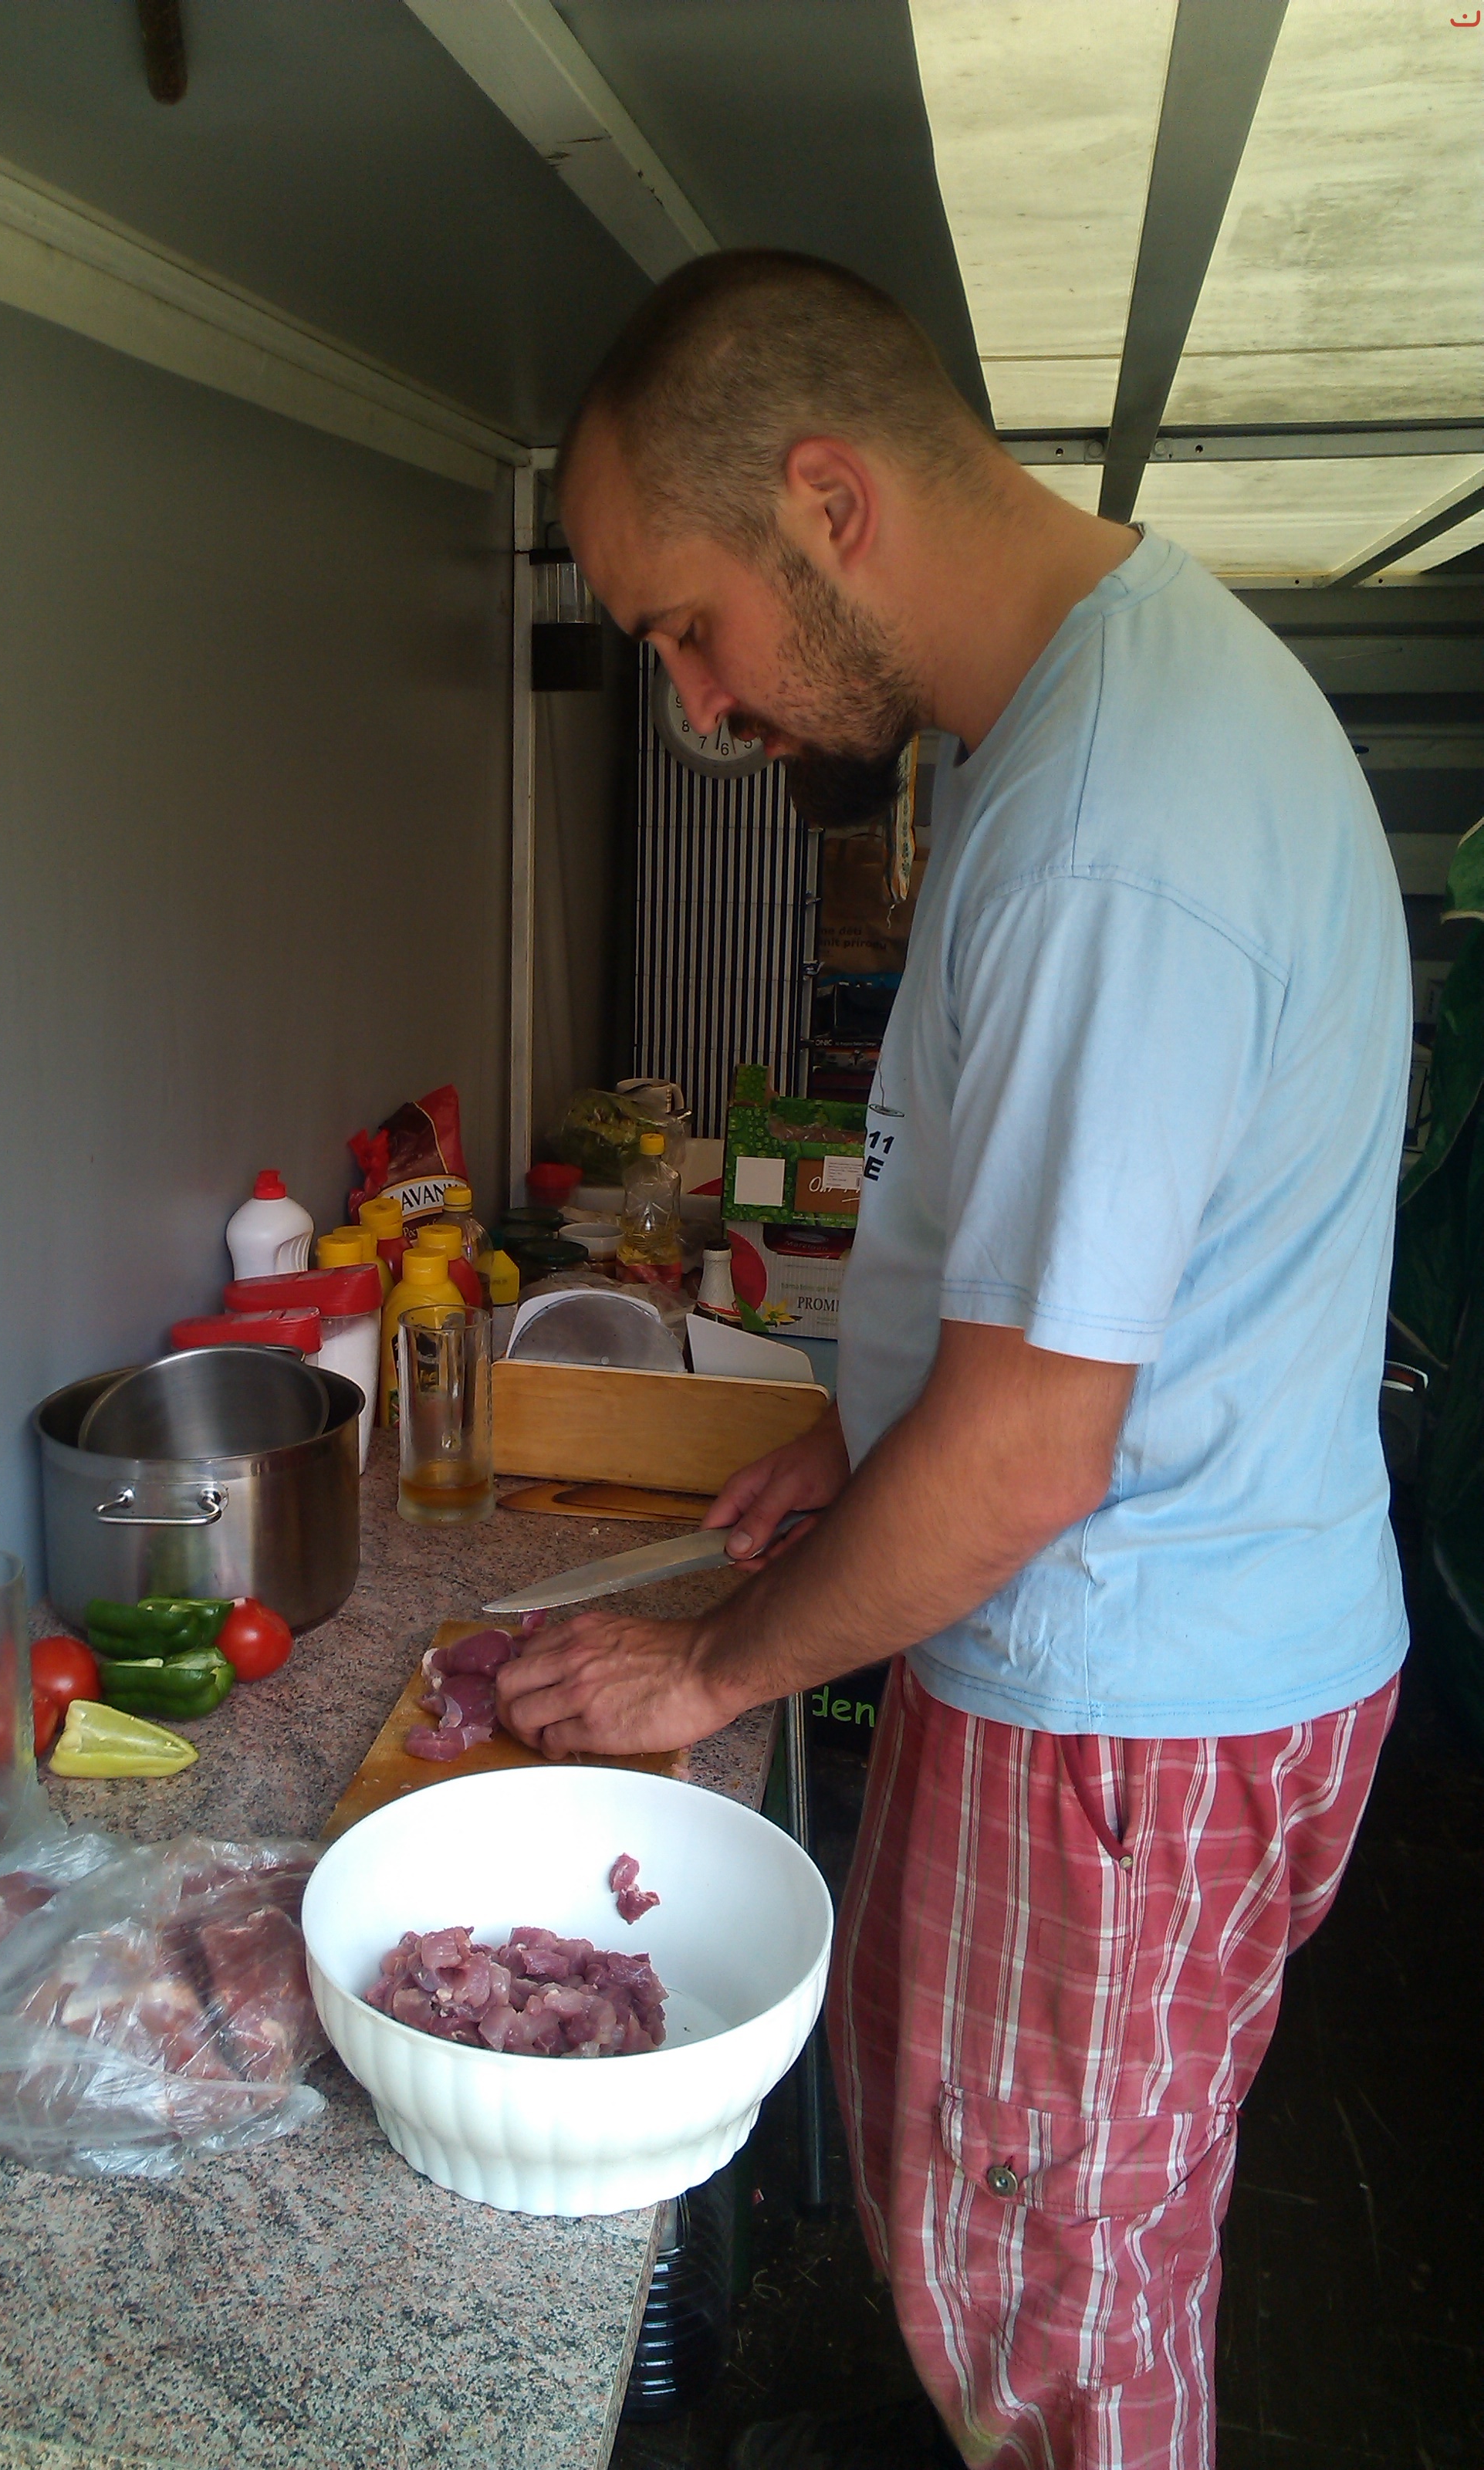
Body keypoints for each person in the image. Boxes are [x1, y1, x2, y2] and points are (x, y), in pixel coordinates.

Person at [495, 252, 1410, 2470]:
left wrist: (706, 1673)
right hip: (1125, 1652)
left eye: (689, 628)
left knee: (1063, 2313)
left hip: (1124, 1698)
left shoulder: (1113, 825)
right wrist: (858, 1426)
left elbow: (1023, 1457)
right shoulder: (1072, 720)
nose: (700, 704)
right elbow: (1060, 1260)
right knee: (995, 2214)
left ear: (829, 502)